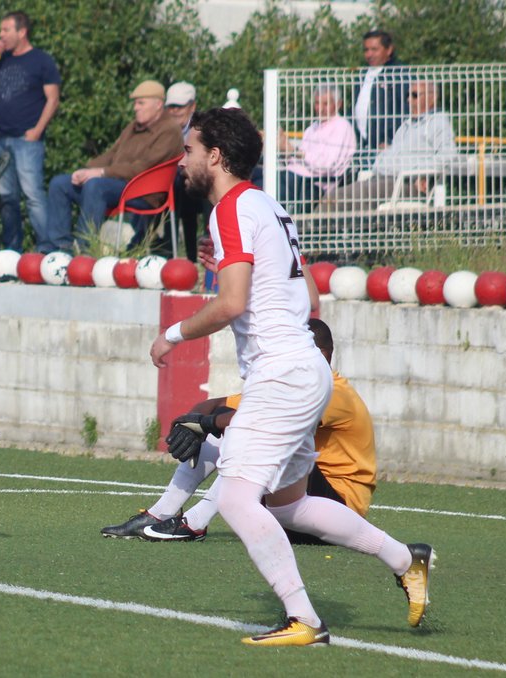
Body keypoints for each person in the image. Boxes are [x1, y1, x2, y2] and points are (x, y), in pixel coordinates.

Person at [149, 107, 432, 646]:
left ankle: (306, 619)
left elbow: (232, 304)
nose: (181, 161)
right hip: (307, 368)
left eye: (188, 150)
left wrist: (173, 334)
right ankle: (405, 559)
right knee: (287, 505)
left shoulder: (230, 208)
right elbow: (309, 297)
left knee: (236, 501)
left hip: (282, 373)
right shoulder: (269, 205)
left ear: (215, 156)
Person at [103, 318, 377, 547]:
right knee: (226, 421)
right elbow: (217, 405)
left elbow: (265, 421)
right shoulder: (294, 385)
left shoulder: (333, 391)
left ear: (322, 355)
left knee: (256, 433)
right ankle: (159, 514)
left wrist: (208, 423)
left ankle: (194, 524)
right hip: (293, 507)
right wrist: (192, 422)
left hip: (338, 513)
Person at [44, 80, 183, 253]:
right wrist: (87, 169)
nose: (135, 108)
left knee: (95, 185)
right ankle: (57, 249)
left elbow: (143, 167)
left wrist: (101, 172)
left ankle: (84, 251)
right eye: (135, 103)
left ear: (158, 104)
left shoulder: (169, 130)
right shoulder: (133, 127)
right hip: (118, 184)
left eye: (141, 103)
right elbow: (111, 154)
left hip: (145, 191)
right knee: (60, 184)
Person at [0, 11, 61, 252]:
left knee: (33, 195)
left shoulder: (41, 60)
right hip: (0, 139)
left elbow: (53, 99)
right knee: (7, 198)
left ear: (22, 32)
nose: (1, 34)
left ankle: (47, 249)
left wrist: (37, 131)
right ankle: (12, 251)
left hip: (27, 140)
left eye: (6, 30)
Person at [322, 80, 457, 213]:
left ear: (432, 98)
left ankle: (317, 226)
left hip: (406, 183)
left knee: (343, 197)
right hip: (382, 178)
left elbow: (449, 155)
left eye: (415, 95)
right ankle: (321, 226)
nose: (409, 100)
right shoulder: (406, 126)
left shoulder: (438, 123)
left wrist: (423, 175)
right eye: (408, 95)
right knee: (337, 197)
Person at [277, 85, 357, 213]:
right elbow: (297, 159)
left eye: (326, 104)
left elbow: (327, 165)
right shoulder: (312, 128)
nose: (320, 109)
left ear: (338, 104)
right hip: (296, 176)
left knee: (271, 186)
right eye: (317, 103)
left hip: (315, 182)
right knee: (260, 175)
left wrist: (295, 152)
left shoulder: (342, 127)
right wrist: (285, 151)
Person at [160, 81, 207, 260]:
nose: (174, 111)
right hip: (176, 185)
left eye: (179, 106)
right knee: (171, 184)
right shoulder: (164, 129)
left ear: (192, 106)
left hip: (199, 184)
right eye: (170, 106)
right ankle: (168, 251)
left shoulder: (201, 129)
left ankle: (178, 251)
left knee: (179, 184)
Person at [353, 30, 409, 164]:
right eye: (366, 50)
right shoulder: (362, 74)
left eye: (374, 49)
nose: (369, 54)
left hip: (386, 147)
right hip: (363, 145)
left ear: (389, 50)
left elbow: (406, 110)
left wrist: (391, 140)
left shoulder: (398, 73)